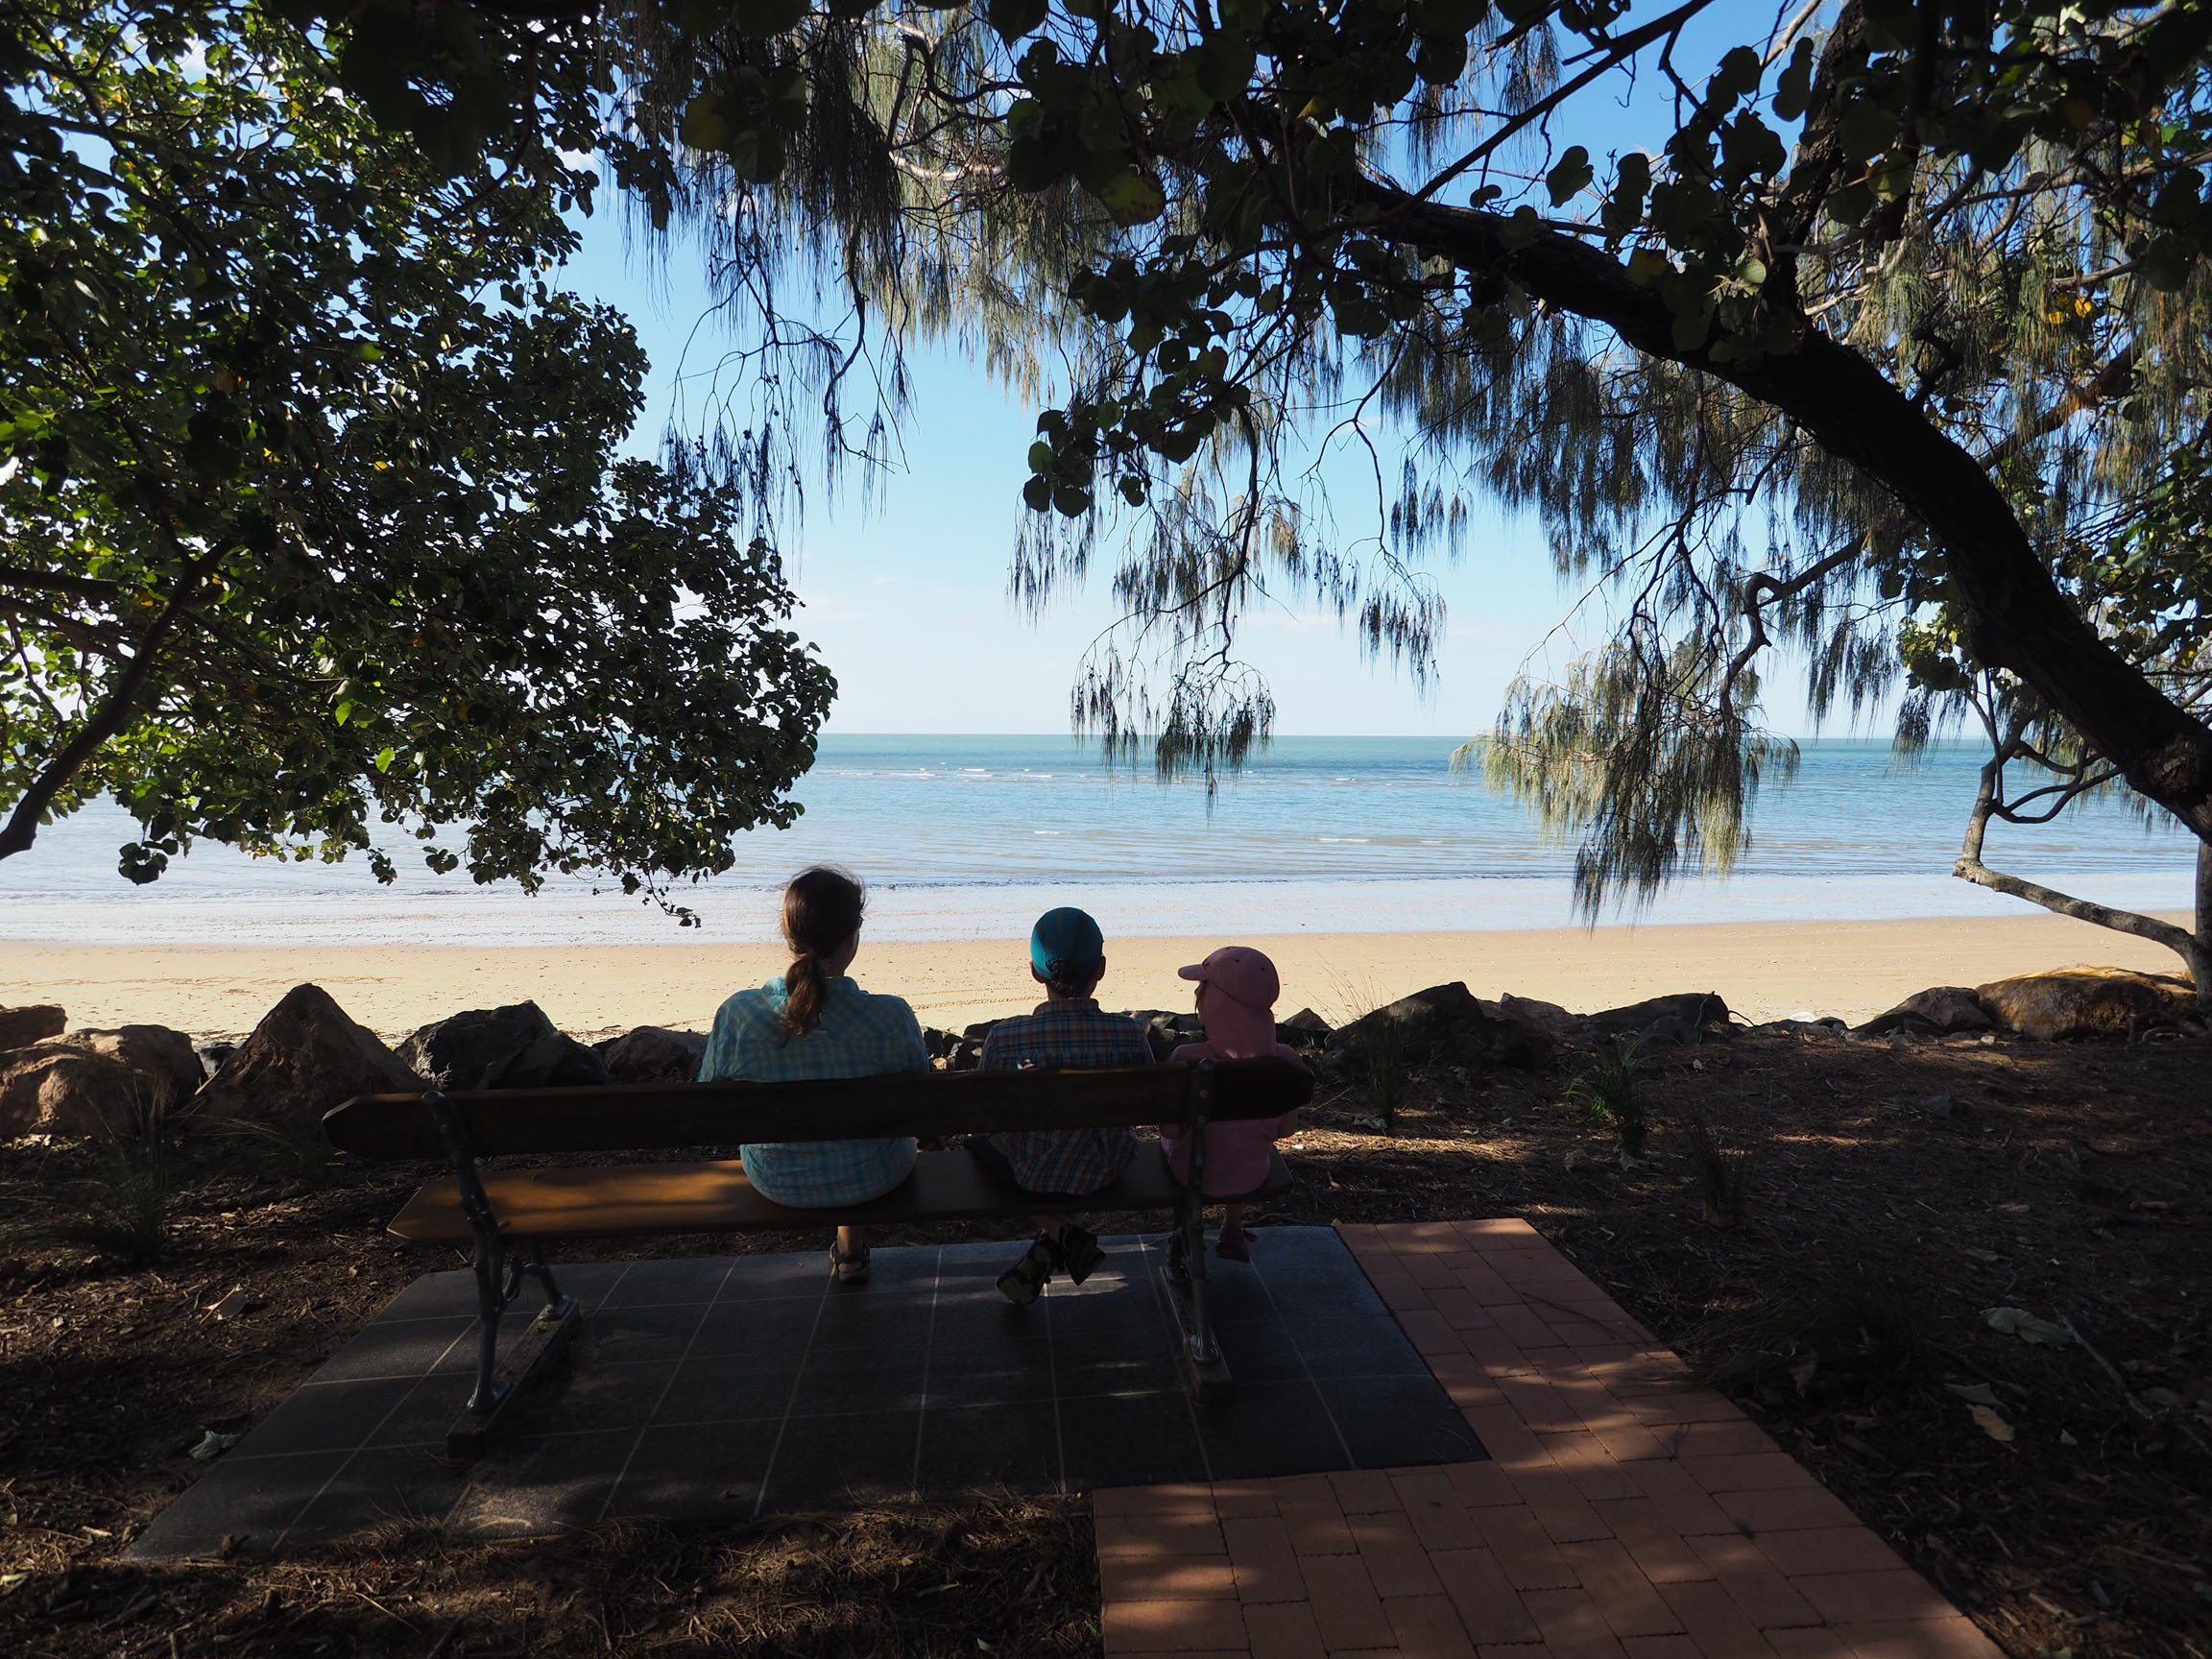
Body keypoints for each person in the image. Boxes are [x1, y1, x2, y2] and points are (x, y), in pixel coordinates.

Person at [697, 866, 927, 1284]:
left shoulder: (738, 1015)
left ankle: (849, 1249)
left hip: (775, 1178)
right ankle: (850, 1250)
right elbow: (922, 1102)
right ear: (852, 936)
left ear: (788, 933)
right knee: (864, 1139)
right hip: (873, 1176)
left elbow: (707, 1096)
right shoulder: (891, 1017)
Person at [973, 906, 1154, 1306]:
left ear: (1035, 973)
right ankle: (1059, 1235)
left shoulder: (1004, 1038)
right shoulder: (1129, 1034)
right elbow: (1151, 1103)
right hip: (1108, 1168)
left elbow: (984, 1112)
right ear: (1100, 969)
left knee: (978, 1142)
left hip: (1033, 1173)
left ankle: (1060, 1232)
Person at [1160, 945, 1305, 1262]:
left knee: (1189, 1144)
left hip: (1189, 1172)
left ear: (1211, 1006)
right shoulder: (1285, 1062)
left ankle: (1186, 1230)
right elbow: (1286, 1130)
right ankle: (1232, 1228)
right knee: (1240, 1141)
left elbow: (1170, 1131)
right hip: (1251, 1172)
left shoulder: (1186, 1059)